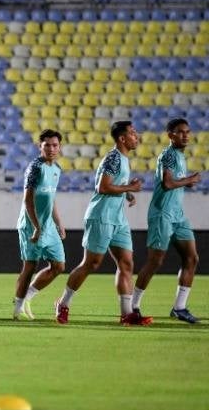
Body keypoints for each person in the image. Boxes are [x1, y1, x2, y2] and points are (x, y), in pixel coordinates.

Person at [55, 120, 145, 326]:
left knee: (126, 263)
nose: (136, 136)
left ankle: (127, 314)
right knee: (91, 263)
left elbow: (115, 184)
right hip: (101, 216)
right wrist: (128, 187)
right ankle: (63, 303)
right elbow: (103, 187)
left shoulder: (123, 158)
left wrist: (127, 193)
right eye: (132, 133)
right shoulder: (113, 158)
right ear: (122, 138)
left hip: (118, 218)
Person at [133, 118, 201, 324]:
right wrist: (188, 180)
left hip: (178, 215)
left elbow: (174, 183)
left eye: (187, 132)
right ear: (170, 135)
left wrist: (185, 182)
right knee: (155, 261)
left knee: (192, 258)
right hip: (162, 214)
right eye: (180, 132)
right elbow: (168, 183)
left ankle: (179, 308)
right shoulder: (169, 155)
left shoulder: (180, 156)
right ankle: (133, 306)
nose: (186, 135)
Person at [12, 130, 66, 320]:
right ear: (39, 146)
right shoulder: (35, 168)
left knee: (59, 266)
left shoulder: (57, 169)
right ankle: (17, 309)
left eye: (55, 145)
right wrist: (36, 226)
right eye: (47, 145)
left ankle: (28, 296)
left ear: (59, 147)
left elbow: (51, 200)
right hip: (30, 224)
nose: (51, 149)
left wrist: (59, 223)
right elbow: (28, 200)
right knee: (30, 266)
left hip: (48, 226)